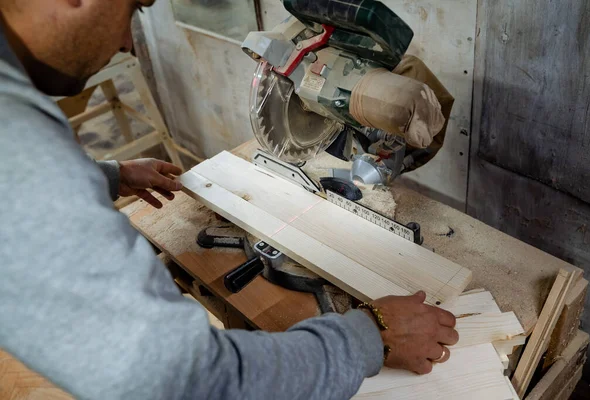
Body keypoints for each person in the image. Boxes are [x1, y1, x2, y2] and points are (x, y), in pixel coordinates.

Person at [0, 1, 459, 399]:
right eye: (134, 8)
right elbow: (186, 382)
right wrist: (370, 335)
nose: (128, 43)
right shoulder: (25, 150)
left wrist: (103, 177)